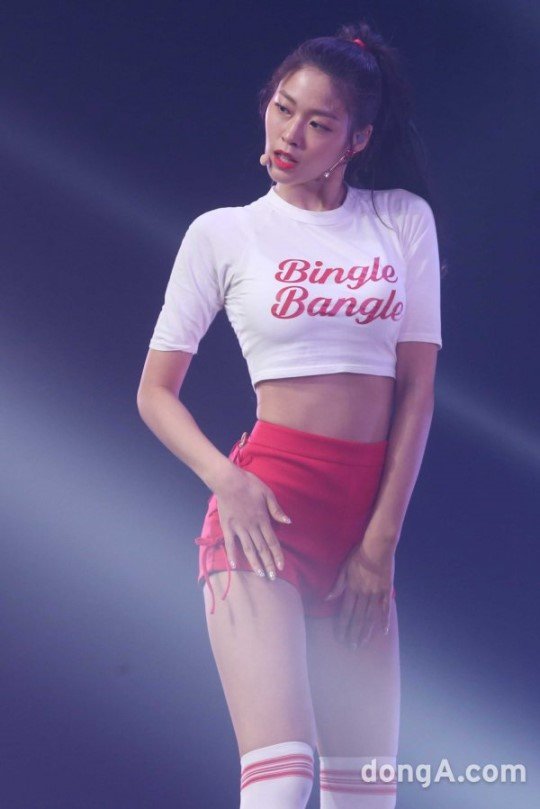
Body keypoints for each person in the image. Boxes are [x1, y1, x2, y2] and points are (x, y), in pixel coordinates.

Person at [137, 19, 444, 809]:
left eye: (318, 123)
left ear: (357, 139)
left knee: (366, 795)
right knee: (282, 779)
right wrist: (227, 481)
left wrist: (379, 544)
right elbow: (154, 392)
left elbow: (416, 388)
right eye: (282, 109)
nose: (289, 134)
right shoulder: (225, 233)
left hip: (364, 526)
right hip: (261, 516)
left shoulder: (401, 219)